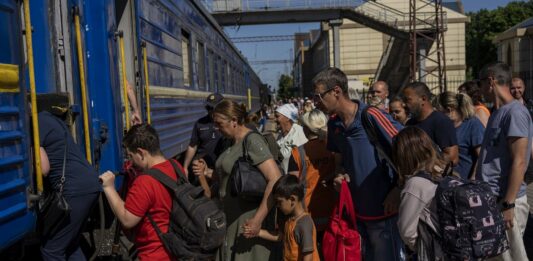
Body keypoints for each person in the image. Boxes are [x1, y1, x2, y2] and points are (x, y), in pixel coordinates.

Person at [312, 67, 405, 261]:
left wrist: (398, 188)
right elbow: (339, 163)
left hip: (385, 214)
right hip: (356, 217)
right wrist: (338, 175)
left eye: (319, 96)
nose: (315, 103)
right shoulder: (334, 124)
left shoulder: (371, 116)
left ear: (336, 91)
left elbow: (412, 151)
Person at [191, 99, 282, 261]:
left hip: (247, 220)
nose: (217, 129)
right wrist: (206, 171)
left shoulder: (252, 141)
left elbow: (275, 178)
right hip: (230, 219)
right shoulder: (229, 142)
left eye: (219, 124)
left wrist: (257, 220)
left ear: (234, 120)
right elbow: (232, 176)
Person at [100, 124, 187, 260]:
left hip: (154, 254)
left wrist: (109, 188)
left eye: (130, 156)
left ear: (141, 153)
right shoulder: (176, 166)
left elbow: (127, 219)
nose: (130, 161)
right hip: (176, 249)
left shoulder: (145, 182)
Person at [476, 62, 532, 261]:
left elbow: (519, 161)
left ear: (491, 81)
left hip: (506, 202)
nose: (480, 89)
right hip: (493, 200)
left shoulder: (515, 112)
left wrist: (508, 205)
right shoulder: (497, 113)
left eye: (480, 83)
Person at [37, 95, 100, 260]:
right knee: (70, 244)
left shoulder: (36, 124)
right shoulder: (53, 120)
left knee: (51, 250)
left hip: (74, 189)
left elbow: (43, 168)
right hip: (90, 183)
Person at [393, 127, 450, 261]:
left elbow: (407, 231)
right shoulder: (444, 171)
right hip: (455, 249)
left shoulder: (415, 184)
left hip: (435, 253)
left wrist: (421, 248)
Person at [286, 109, 337, 235]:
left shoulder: (298, 152)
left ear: (307, 129)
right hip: (333, 209)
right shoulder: (334, 148)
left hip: (307, 211)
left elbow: (292, 185)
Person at [253, 175, 320, 261]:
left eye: (279, 201)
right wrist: (257, 232)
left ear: (292, 199)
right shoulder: (290, 219)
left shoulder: (304, 224)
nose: (277, 205)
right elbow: (280, 236)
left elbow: (308, 256)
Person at [403, 82, 459, 165]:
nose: (404, 104)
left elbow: (452, 157)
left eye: (408, 100)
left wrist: (423, 162)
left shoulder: (441, 121)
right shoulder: (410, 124)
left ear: (423, 99)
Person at [433, 92, 485, 180]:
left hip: (465, 184)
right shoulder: (443, 127)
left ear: (448, 110)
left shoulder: (473, 125)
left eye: (438, 112)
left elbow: (482, 155)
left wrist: (473, 179)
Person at [182, 93, 224, 177]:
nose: (211, 111)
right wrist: (185, 167)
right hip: (202, 166)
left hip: (220, 165)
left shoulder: (226, 124)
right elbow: (192, 146)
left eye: (213, 108)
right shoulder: (200, 123)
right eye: (208, 108)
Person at [275, 103, 308, 173]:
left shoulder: (300, 133)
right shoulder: (280, 135)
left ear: (287, 118)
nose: (275, 119)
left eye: (277, 116)